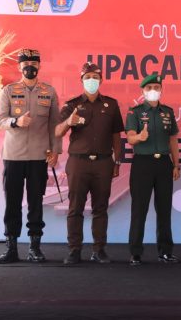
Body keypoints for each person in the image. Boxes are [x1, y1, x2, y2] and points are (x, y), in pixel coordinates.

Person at [0, 49, 61, 263]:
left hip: (39, 156)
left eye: (33, 63)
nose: (29, 66)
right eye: (25, 63)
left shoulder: (49, 91)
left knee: (36, 203)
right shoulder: (8, 90)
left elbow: (55, 125)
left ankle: (35, 248)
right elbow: (0, 120)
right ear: (19, 67)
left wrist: (56, 150)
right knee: (12, 203)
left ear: (39, 66)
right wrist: (16, 121)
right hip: (13, 156)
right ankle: (11, 248)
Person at [55, 62, 124, 265]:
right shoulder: (72, 105)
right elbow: (57, 131)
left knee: (100, 208)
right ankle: (74, 250)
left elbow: (116, 136)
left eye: (95, 77)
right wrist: (69, 122)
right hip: (78, 163)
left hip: (103, 163)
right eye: (87, 77)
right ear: (82, 80)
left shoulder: (111, 104)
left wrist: (117, 162)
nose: (91, 80)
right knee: (75, 208)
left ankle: (99, 250)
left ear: (101, 80)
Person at [125, 72, 181, 266]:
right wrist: (138, 137)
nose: (153, 90)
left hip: (164, 163)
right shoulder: (135, 112)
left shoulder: (168, 112)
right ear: (143, 91)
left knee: (164, 209)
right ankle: (135, 253)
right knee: (139, 209)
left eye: (156, 88)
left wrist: (176, 164)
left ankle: (165, 252)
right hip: (143, 163)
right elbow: (130, 137)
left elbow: (173, 139)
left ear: (161, 90)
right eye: (149, 88)